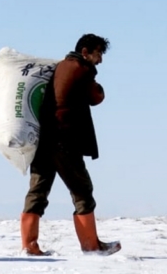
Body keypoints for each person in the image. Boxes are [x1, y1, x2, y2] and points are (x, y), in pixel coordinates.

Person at [20, 34, 121, 256]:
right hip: (64, 140)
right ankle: (92, 246)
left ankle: (29, 246)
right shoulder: (82, 69)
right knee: (82, 190)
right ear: (85, 52)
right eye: (98, 54)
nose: (100, 60)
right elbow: (96, 97)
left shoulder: (60, 67)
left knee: (38, 190)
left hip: (44, 139)